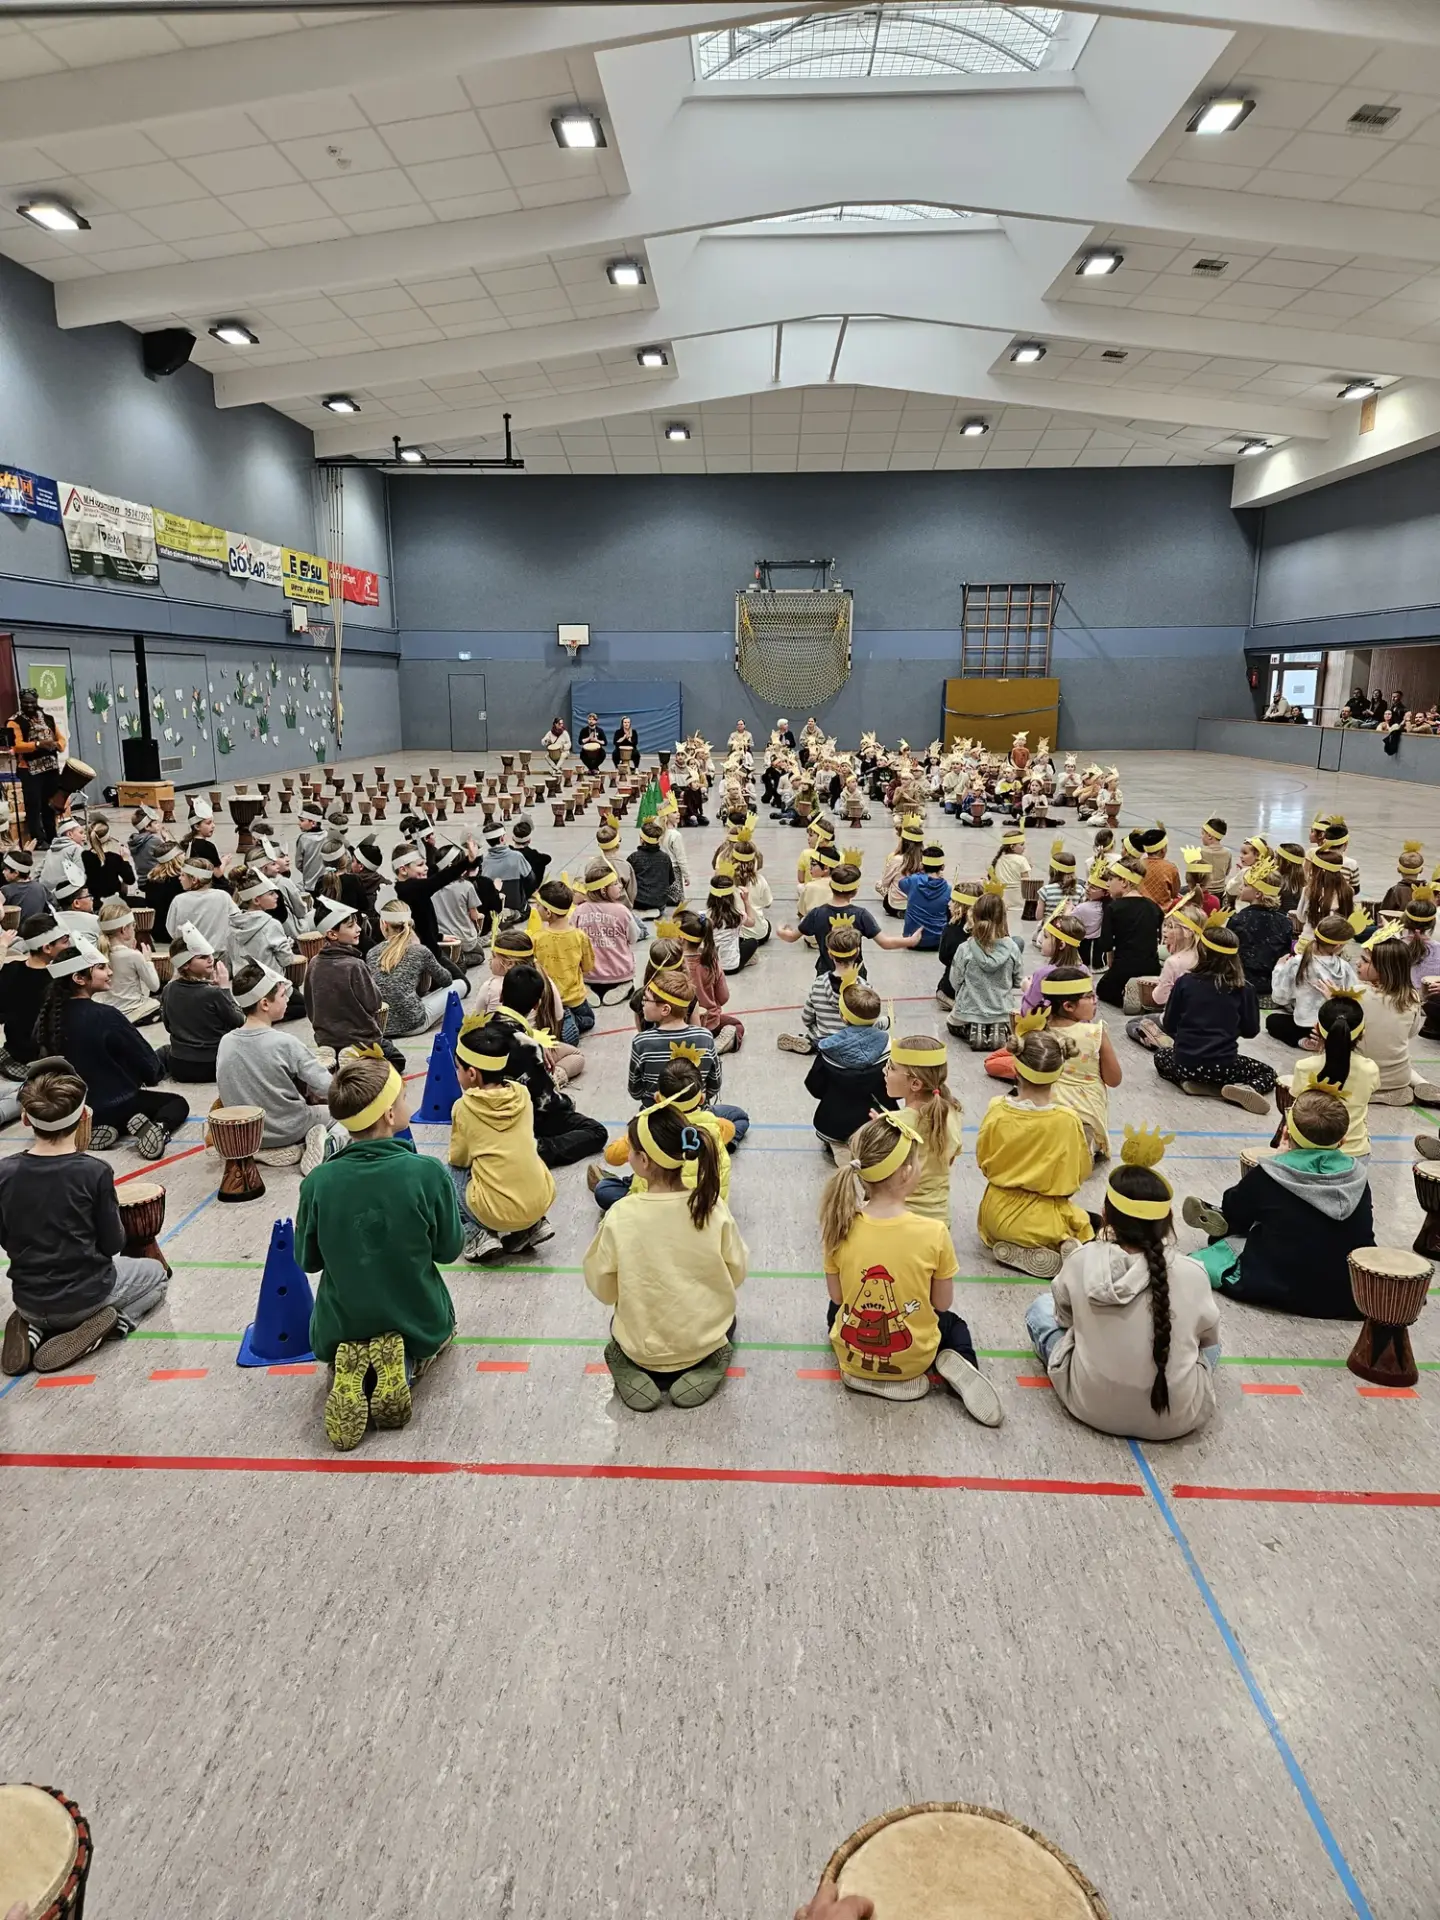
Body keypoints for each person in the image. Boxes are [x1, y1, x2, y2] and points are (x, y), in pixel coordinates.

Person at [298, 1051, 462, 1450]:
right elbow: (448, 1250)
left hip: (339, 1326)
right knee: (445, 1326)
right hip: (420, 1322)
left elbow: (307, 1260)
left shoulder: (318, 1182)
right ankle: (404, 1362)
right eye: (402, 1098)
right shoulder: (427, 1173)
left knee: (346, 1318)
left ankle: (347, 1365)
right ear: (389, 1115)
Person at [1026, 1126, 1218, 1441]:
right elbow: (1207, 1339)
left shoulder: (1081, 1260)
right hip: (1177, 1417)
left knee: (1040, 1309)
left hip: (1090, 1405)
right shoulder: (1193, 1273)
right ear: (1167, 1221)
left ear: (1105, 1215)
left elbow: (1064, 1319)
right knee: (1207, 1346)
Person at [819, 1109, 1001, 1421]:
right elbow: (941, 1303)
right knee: (954, 1324)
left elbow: (837, 1296)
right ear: (905, 1173)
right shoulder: (934, 1232)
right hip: (913, 1361)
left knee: (835, 1310)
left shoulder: (838, 1225)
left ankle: (862, 1372)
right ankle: (962, 1363)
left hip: (852, 1355)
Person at [0, 1061, 170, 1377]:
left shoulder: (3, 1173)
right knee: (156, 1276)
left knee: (42, 1304)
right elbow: (113, 1244)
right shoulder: (94, 1172)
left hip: (28, 1299)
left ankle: (33, 1328)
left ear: (25, 1119)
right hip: (85, 1297)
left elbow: (4, 1237)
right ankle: (110, 1325)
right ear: (83, 1118)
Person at [584, 1093, 747, 1410]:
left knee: (619, 1326)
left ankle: (628, 1366)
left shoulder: (621, 1214)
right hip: (702, 1342)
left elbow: (602, 1286)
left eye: (632, 1150)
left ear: (643, 1162)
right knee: (729, 1322)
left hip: (640, 1348)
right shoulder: (711, 1207)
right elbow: (737, 1271)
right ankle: (711, 1361)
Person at [1183, 1088, 1373, 1317]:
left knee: (1226, 1242)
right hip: (1349, 1294)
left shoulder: (1268, 1175)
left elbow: (1236, 1211)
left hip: (1280, 1286)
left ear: (1286, 1133)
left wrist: (1278, 1161)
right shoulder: (1357, 1176)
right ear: (1342, 1141)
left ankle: (1218, 1221)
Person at [32, 938, 189, 1157]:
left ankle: (94, 1128)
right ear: (79, 978)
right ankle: (159, 1128)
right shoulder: (106, 1016)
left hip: (71, 1110)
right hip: (116, 1105)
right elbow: (149, 1066)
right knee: (177, 1103)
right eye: (101, 968)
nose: (110, 972)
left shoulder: (46, 1018)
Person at [975, 1022, 1094, 1278]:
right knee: (1084, 1223)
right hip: (1046, 1216)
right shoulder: (1067, 1119)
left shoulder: (997, 1109)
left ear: (1015, 1069)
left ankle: (1015, 1243)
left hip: (997, 1213)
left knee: (1003, 1227)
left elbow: (983, 1158)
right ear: (1059, 1072)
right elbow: (1080, 1171)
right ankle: (1061, 1243)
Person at [449, 1016, 556, 1262]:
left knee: (447, 1173)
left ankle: (477, 1234)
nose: (457, 1073)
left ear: (472, 1073)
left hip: (495, 1212)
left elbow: (459, 1158)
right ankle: (531, 1226)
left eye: (458, 1068)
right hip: (540, 1199)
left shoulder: (464, 1107)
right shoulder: (522, 1094)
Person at [217, 963, 337, 1171]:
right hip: (289, 1128)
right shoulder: (284, 1042)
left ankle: (266, 1150)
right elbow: (327, 1087)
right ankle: (322, 1143)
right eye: (282, 995)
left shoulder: (225, 1041)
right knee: (345, 1116)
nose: (288, 999)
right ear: (265, 1003)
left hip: (247, 1134)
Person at [1155, 917, 1275, 1113]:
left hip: (1185, 1062)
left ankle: (1188, 1082)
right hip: (1223, 1066)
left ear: (1201, 952)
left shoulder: (1185, 982)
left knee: (1161, 1056)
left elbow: (1169, 1024)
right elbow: (1251, 1030)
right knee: (1268, 1073)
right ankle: (1246, 1087)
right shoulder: (1245, 989)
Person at [492, 966, 607, 1166]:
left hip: (489, 1115)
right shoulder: (528, 1046)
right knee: (597, 1132)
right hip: (523, 1117)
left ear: (501, 995)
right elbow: (545, 1101)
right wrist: (567, 1102)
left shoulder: (480, 1031)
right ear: (536, 1005)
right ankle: (538, 1150)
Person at [471, 931, 584, 1084]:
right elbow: (558, 1016)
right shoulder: (544, 981)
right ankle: (555, 1076)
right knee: (576, 1054)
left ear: (509, 963)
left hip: (499, 1052)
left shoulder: (489, 987)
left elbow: (477, 1022)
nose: (490, 960)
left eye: (494, 956)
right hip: (537, 1047)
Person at [305, 898, 403, 1069]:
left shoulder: (313, 963)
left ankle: (332, 1052)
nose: (358, 929)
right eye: (351, 926)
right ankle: (358, 1056)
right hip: (361, 1038)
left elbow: (309, 1005)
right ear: (332, 934)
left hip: (325, 1037)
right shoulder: (355, 965)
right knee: (397, 1059)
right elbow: (374, 1003)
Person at [805, 978, 895, 1164]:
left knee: (836, 1132)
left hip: (835, 1121)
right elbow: (896, 1088)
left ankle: (840, 1148)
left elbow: (815, 1086)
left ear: (843, 1017)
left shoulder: (829, 1050)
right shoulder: (890, 1048)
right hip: (877, 1119)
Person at [775, 863, 921, 973]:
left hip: (826, 975)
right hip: (855, 975)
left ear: (831, 886)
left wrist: (780, 930)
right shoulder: (861, 915)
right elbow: (885, 942)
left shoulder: (816, 913)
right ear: (855, 891)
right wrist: (910, 940)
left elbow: (791, 937)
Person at [881, 1034, 963, 1221]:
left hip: (899, 1220)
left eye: (891, 1067)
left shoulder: (894, 1123)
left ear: (915, 1083)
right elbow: (948, 1161)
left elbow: (879, 1178)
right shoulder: (951, 1112)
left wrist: (877, 1130)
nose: (885, 1071)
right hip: (939, 1220)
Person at [1043, 965, 1121, 1157]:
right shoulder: (1095, 1033)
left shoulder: (1037, 1031)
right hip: (1086, 1113)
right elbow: (1114, 1079)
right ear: (1068, 1006)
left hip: (1045, 1110)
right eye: (1089, 996)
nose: (1095, 1000)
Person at [1357, 925, 1440, 1105]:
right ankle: (1423, 1084)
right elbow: (1411, 1033)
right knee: (1400, 1061)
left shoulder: (1356, 993)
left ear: (1382, 969)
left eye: (1364, 960)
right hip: (1398, 1077)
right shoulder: (1412, 996)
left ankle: (1375, 1093)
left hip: (1362, 1076)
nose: (1358, 963)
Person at [1288, 993, 1377, 1155]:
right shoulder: (1370, 1069)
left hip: (1307, 1151)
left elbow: (1296, 1108)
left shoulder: (1304, 1067)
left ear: (1317, 1029)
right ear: (1362, 1032)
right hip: (1356, 1153)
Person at [365, 900, 465, 1038]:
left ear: (384, 924)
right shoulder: (419, 950)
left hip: (382, 1025)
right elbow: (446, 980)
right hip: (413, 1024)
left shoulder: (371, 953)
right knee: (460, 984)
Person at [159, 924, 244, 1081]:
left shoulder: (168, 990)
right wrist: (225, 989)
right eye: (203, 957)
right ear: (185, 964)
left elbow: (168, 1027)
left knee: (164, 1051)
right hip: (213, 1066)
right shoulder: (214, 993)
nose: (210, 959)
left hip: (180, 1066)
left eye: (210, 954)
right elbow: (239, 1021)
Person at [946, 888, 1022, 1051]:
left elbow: (955, 981)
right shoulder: (1013, 948)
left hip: (968, 1011)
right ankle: (997, 1027)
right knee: (1005, 1015)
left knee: (951, 1022)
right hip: (1002, 1011)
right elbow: (1018, 981)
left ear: (974, 917)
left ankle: (972, 1026)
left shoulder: (965, 948)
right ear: (1003, 919)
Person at [1267, 914, 1358, 1047]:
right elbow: (1354, 998)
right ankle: (1326, 1041)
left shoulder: (1297, 962)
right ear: (1338, 946)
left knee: (1272, 1021)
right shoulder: (1345, 967)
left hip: (1305, 1025)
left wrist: (1279, 967)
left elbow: (1279, 998)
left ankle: (1303, 1041)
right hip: (1335, 1026)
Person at [0, 913, 67, 1075]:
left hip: (14, 1052)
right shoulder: (58, 982)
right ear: (47, 948)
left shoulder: (9, 969)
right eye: (65, 941)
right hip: (44, 1059)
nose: (69, 945)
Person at [533, 879, 597, 1043]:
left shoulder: (537, 939)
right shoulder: (580, 936)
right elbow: (588, 966)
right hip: (576, 998)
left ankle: (560, 1020)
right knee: (589, 1020)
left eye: (538, 905)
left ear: (548, 912)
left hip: (548, 1001)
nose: (535, 908)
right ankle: (571, 1018)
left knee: (543, 1024)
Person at [573, 859, 646, 1002]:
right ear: (603, 890)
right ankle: (625, 986)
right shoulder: (621, 911)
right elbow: (634, 937)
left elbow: (572, 938)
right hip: (619, 974)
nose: (620, 886)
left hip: (589, 975)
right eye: (615, 883)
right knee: (627, 977)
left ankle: (587, 989)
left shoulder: (579, 911)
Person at [1096, 858, 1163, 1008]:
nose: (1107, 884)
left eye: (1111, 879)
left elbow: (1106, 944)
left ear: (1124, 882)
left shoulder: (1113, 908)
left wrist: (1111, 962)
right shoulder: (1153, 906)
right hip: (1151, 968)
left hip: (1125, 967)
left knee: (1102, 989)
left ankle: (1127, 997)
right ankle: (1146, 995)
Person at [7, 688, 63, 846]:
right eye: (26, 703)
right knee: (34, 805)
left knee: (50, 804)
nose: (30, 705)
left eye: (32, 702)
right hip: (29, 770)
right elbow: (16, 745)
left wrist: (58, 745)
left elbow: (61, 739)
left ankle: (52, 836)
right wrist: (38, 744)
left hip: (50, 768)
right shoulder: (14, 721)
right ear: (21, 702)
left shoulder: (47, 718)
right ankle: (38, 838)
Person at [1229, 859, 1291, 998]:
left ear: (1258, 894)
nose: (1240, 887)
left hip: (1242, 983)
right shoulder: (1285, 922)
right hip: (1272, 984)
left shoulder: (1238, 920)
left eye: (1245, 885)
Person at [96, 900, 160, 1026]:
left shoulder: (99, 952)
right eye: (133, 926)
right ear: (124, 929)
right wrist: (148, 960)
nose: (134, 929)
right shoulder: (134, 955)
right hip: (133, 1010)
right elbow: (154, 986)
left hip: (108, 1009)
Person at [164, 857, 237, 953]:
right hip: (220, 953)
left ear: (194, 879)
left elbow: (172, 929)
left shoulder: (179, 900)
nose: (179, 878)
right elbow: (236, 920)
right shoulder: (223, 896)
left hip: (191, 954)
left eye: (183, 875)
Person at [897, 843, 952, 950]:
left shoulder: (913, 881)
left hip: (912, 940)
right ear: (942, 867)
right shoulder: (948, 889)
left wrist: (919, 874)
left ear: (922, 865)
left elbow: (901, 884)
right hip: (938, 941)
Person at [706, 864, 759, 973]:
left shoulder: (706, 915)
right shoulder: (738, 916)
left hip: (713, 967)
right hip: (732, 967)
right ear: (731, 897)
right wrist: (746, 901)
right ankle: (746, 960)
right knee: (752, 942)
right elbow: (752, 922)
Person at [629, 816, 680, 914]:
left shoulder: (634, 857)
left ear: (642, 840)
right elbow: (670, 880)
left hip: (638, 902)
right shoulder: (665, 858)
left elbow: (628, 881)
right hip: (658, 903)